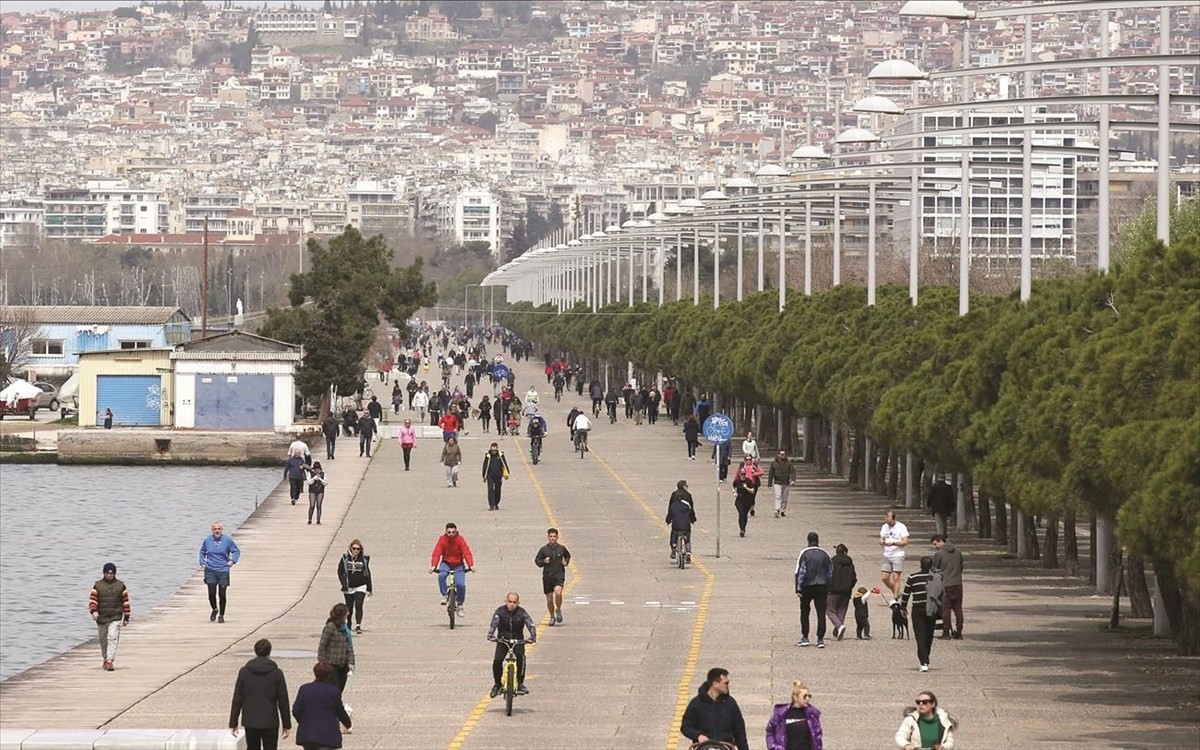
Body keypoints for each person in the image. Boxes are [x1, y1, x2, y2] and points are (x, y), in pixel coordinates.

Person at [229, 638, 291, 750]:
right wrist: (286, 723)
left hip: (250, 721)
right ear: (269, 652)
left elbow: (237, 698)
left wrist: (233, 721)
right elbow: (283, 700)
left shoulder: (244, 672)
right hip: (270, 721)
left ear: (255, 651)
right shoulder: (277, 673)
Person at [680, 667, 750, 750]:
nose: (728, 686)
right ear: (715, 684)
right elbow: (686, 727)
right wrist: (698, 735)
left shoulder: (730, 703)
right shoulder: (696, 704)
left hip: (725, 746)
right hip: (704, 747)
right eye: (726, 683)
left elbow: (739, 730)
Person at [486, 592, 537, 698]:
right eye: (510, 602)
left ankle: (520, 683)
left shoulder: (522, 612)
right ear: (506, 601)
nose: (512, 604)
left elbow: (530, 624)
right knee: (497, 660)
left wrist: (532, 637)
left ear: (518, 603)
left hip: (518, 640)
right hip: (503, 640)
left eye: (514, 602)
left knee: (521, 658)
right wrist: (491, 635)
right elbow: (494, 624)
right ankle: (497, 684)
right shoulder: (500, 611)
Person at [292, 661, 352, 750]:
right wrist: (348, 723)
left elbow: (296, 710)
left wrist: (304, 721)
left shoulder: (305, 689)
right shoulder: (333, 691)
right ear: (329, 675)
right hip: (327, 734)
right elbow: (340, 711)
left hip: (308, 733)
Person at [898, 556, 938, 672]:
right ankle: (926, 658)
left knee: (920, 636)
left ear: (920, 565)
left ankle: (924, 662)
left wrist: (903, 607)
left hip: (918, 609)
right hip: (932, 609)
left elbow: (906, 594)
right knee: (929, 635)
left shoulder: (913, 577)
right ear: (931, 565)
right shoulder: (935, 577)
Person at [88, 562, 130, 671]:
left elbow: (125, 602)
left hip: (115, 616)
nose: (109, 575)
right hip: (101, 617)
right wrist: (93, 611)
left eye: (111, 573)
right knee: (103, 639)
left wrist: (126, 617)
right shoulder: (97, 585)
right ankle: (105, 658)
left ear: (115, 574)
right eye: (107, 573)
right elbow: (93, 600)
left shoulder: (121, 586)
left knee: (112, 637)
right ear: (104, 573)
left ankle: (110, 660)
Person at [794, 532, 833, 648]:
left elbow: (800, 571)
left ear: (808, 541)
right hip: (821, 585)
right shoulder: (825, 554)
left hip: (807, 585)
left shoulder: (804, 553)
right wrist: (829, 587)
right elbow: (830, 572)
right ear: (818, 540)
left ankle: (805, 636)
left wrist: (798, 588)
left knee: (805, 611)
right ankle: (820, 638)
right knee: (821, 612)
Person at [765, 680, 824, 750]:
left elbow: (818, 738)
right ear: (795, 698)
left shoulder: (812, 716)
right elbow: (770, 730)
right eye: (804, 696)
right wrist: (773, 747)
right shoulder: (781, 714)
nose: (807, 699)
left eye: (809, 696)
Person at [200, 521, 240, 623]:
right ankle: (214, 609)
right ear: (212, 530)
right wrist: (202, 562)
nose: (217, 531)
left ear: (222, 530)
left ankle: (221, 615)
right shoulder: (208, 540)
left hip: (223, 569)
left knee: (222, 594)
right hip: (211, 569)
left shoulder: (227, 540)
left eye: (219, 529)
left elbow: (236, 551)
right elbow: (202, 551)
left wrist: (232, 560)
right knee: (211, 593)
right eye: (215, 529)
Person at [430, 522, 475, 613]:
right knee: (441, 575)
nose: (451, 534)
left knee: (460, 584)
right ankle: (445, 595)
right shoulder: (442, 539)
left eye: (453, 532)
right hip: (446, 563)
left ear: (456, 531)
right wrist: (433, 565)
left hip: (458, 564)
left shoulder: (460, 539)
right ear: (446, 532)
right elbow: (437, 552)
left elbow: (466, 552)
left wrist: (471, 565)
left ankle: (460, 604)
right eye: (449, 532)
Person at [535, 528, 571, 626]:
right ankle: (552, 616)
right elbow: (537, 561)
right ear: (548, 537)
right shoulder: (543, 550)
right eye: (551, 536)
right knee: (549, 599)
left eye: (554, 536)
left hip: (559, 575)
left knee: (558, 593)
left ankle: (558, 609)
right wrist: (543, 562)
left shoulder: (561, 548)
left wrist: (566, 562)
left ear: (557, 537)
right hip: (547, 577)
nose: (552, 538)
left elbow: (568, 556)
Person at [931, 535, 964, 639]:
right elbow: (961, 567)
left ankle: (946, 632)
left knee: (946, 608)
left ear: (941, 542)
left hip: (946, 584)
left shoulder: (939, 554)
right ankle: (959, 631)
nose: (934, 547)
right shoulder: (958, 553)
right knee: (958, 608)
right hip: (958, 583)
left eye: (935, 544)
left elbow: (934, 569)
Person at [316, 603, 355, 692]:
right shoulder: (330, 627)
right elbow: (322, 646)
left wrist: (351, 662)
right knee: (332, 690)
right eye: (346, 613)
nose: (347, 615)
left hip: (343, 665)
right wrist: (322, 663)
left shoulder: (345, 629)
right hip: (331, 665)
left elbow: (349, 647)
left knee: (339, 691)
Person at [338, 540, 372, 634]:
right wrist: (343, 582)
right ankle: (348, 623)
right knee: (349, 607)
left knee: (358, 605)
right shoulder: (345, 559)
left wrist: (369, 588)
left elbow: (367, 574)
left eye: (358, 549)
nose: (356, 550)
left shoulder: (363, 559)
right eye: (354, 549)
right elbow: (340, 571)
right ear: (350, 549)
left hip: (361, 586)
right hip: (348, 587)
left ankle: (358, 625)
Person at [827, 544, 857, 641]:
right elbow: (854, 578)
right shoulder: (850, 563)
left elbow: (828, 575)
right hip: (846, 591)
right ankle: (838, 629)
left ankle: (839, 627)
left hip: (833, 590)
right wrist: (849, 587)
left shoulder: (832, 561)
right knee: (842, 610)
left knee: (830, 610)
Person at [879, 511, 910, 600]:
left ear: (894, 519)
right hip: (887, 554)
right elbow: (881, 538)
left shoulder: (901, 527)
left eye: (890, 521)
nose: (888, 523)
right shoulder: (884, 527)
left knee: (896, 576)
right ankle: (895, 590)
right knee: (884, 577)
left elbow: (905, 541)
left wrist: (894, 543)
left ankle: (895, 596)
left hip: (898, 554)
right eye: (887, 521)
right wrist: (882, 542)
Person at [665, 480, 697, 561]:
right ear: (684, 486)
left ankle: (674, 547)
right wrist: (693, 519)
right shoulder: (688, 495)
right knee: (688, 536)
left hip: (676, 521)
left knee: (674, 532)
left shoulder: (674, 494)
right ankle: (688, 552)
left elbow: (670, 508)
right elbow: (691, 509)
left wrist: (668, 519)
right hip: (686, 522)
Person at [481, 443, 510, 510]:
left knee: (498, 490)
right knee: (490, 490)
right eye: (492, 450)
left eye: (495, 450)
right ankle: (491, 505)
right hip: (490, 476)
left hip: (498, 475)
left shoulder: (500, 455)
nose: (493, 452)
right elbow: (485, 466)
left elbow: (504, 463)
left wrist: (507, 473)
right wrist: (484, 476)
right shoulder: (488, 456)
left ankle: (496, 503)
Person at [732, 466, 760, 538]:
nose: (743, 475)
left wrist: (746, 487)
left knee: (745, 515)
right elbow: (734, 488)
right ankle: (741, 529)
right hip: (739, 500)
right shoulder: (737, 481)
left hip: (747, 500)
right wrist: (735, 493)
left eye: (744, 474)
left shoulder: (749, 481)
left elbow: (752, 491)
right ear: (739, 474)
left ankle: (744, 528)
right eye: (741, 474)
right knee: (741, 514)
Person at [768, 449, 795, 518]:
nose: (783, 456)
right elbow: (771, 473)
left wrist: (793, 479)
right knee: (778, 496)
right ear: (778, 455)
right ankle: (777, 510)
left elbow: (792, 471)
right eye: (782, 454)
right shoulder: (774, 463)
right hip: (777, 482)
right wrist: (769, 483)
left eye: (784, 454)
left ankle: (783, 510)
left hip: (786, 482)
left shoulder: (788, 463)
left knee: (785, 498)